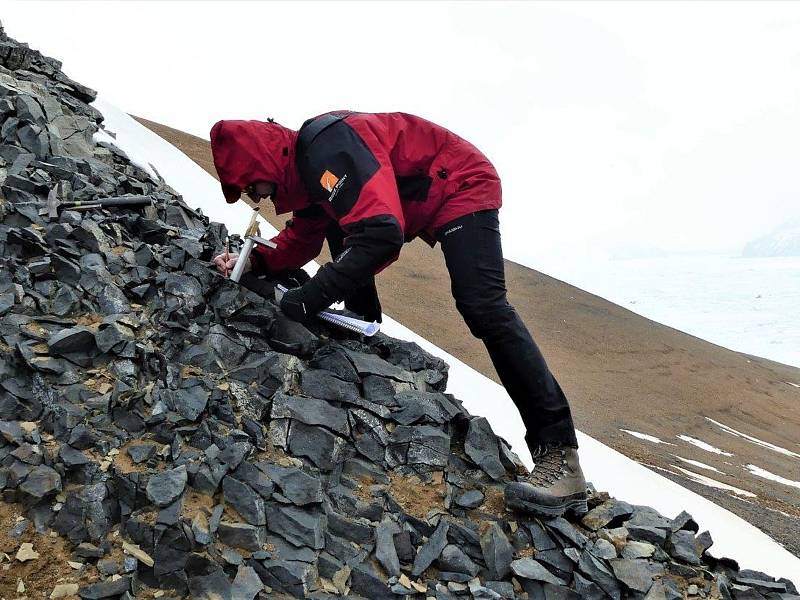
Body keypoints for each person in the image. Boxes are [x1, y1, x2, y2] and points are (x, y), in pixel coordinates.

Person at [210, 111, 587, 517]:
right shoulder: (309, 172)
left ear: (262, 161)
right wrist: (254, 264)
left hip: (458, 182)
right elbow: (303, 238)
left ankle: (560, 458)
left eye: (252, 185)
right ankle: (359, 323)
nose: (258, 197)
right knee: (346, 222)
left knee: (483, 306)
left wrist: (308, 298)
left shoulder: (327, 147)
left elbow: (381, 235)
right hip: (419, 197)